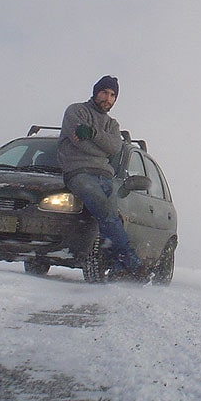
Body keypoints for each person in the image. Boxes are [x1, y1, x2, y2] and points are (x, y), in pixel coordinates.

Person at [58, 75, 143, 279]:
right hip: (78, 172)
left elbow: (115, 147)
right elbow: (80, 144)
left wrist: (93, 134)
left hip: (105, 175)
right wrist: (101, 149)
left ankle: (116, 267)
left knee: (112, 218)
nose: (108, 98)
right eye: (104, 92)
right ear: (96, 92)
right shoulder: (76, 111)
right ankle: (131, 261)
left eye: (112, 95)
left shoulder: (112, 124)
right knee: (105, 212)